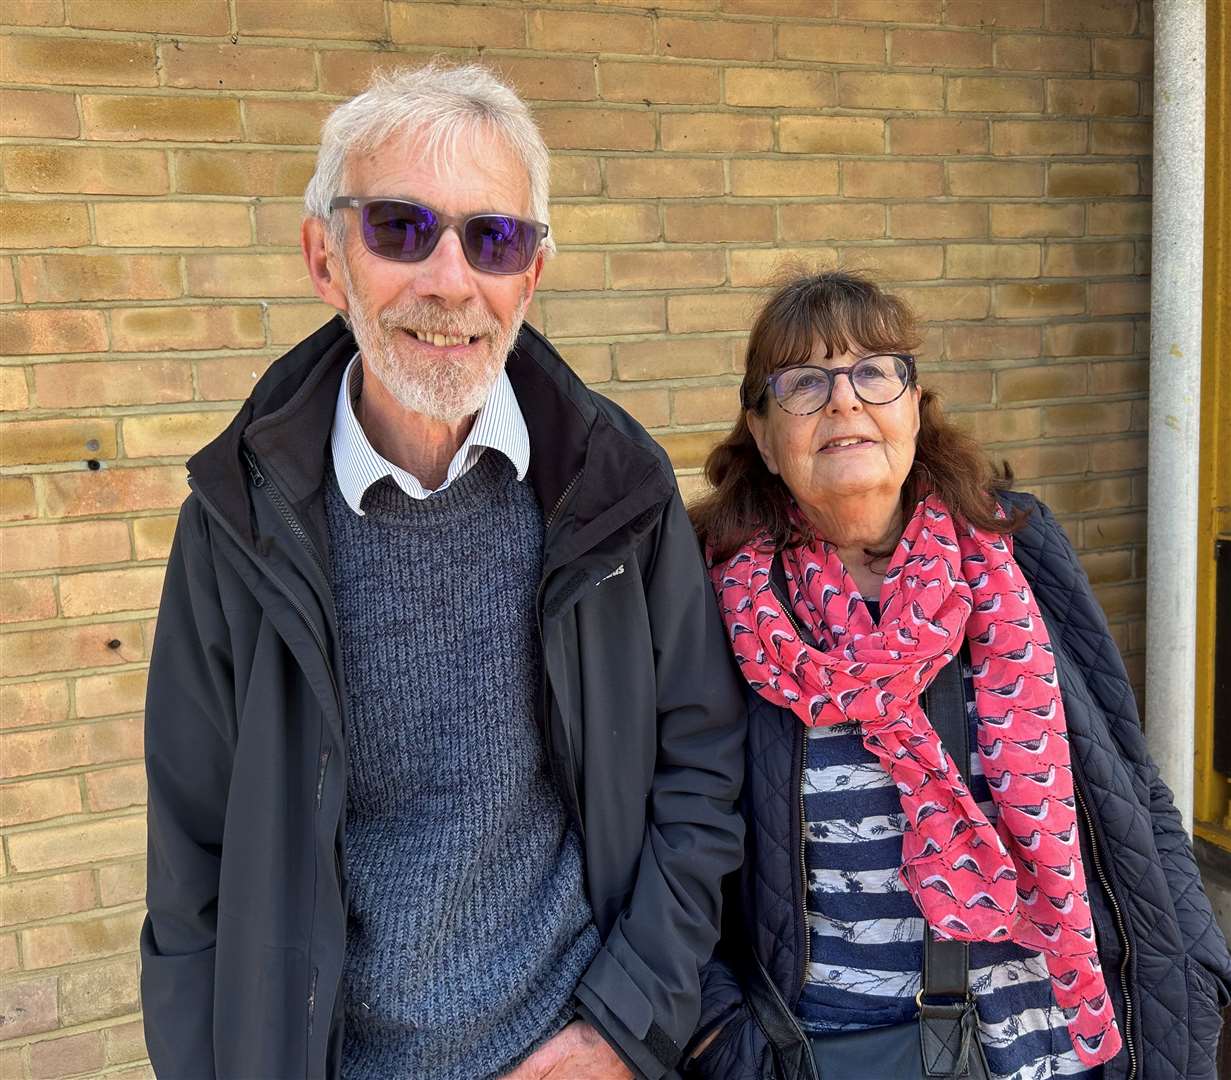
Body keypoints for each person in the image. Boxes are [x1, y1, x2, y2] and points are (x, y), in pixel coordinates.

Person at [140, 62, 745, 1080]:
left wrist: (622, 1029)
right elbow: (191, 866)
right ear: (325, 260)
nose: (449, 281)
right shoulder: (236, 525)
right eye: (398, 228)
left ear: (532, 278)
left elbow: (700, 775)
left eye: (493, 239)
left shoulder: (614, 490)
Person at [683, 270, 1231, 1080]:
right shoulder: (713, 602)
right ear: (761, 437)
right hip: (837, 1052)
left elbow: (1128, 776)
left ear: (912, 407)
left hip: (1060, 1041)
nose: (845, 401)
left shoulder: (1018, 547)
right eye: (803, 382)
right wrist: (721, 1040)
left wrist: (1197, 958)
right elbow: (672, 844)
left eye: (875, 371)